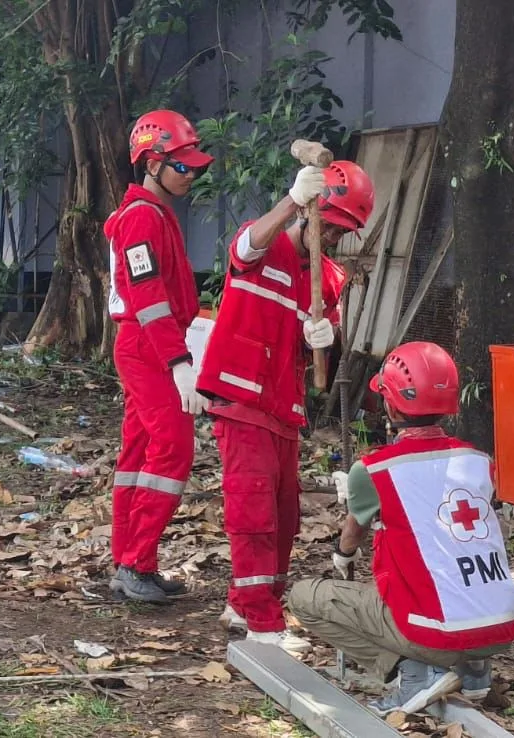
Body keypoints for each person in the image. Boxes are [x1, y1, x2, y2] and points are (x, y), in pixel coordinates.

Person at [288, 342, 514, 714]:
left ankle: (414, 672)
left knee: (305, 597)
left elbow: (351, 539)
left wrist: (342, 554)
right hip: (502, 625)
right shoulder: (479, 460)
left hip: (437, 631)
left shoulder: (376, 470)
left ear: (391, 404)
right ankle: (474, 670)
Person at [201, 160, 370, 653]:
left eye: (343, 232)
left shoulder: (328, 277)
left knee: (284, 515)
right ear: (310, 211)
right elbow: (244, 248)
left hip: (282, 406)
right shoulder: (266, 243)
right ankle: (263, 623)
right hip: (241, 398)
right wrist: (292, 201)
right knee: (253, 511)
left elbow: (321, 339)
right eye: (330, 225)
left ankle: (246, 603)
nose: (334, 237)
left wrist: (324, 336)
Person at [105, 110, 210, 604]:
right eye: (182, 167)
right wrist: (178, 362)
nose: (190, 176)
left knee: (139, 452)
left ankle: (128, 561)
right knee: (173, 448)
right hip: (148, 346)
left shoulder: (153, 214)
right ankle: (136, 562)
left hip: (147, 343)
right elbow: (148, 297)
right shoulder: (143, 217)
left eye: (194, 168)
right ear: (152, 164)